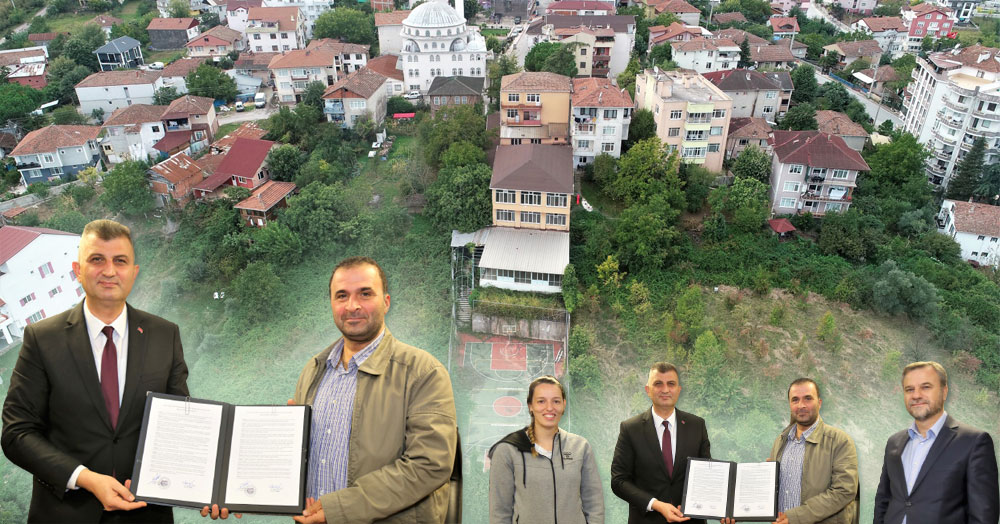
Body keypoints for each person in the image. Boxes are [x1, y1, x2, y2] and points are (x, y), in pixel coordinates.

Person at [2, 219, 190, 523]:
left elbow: (180, 425)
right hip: (66, 514)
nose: (109, 271)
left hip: (145, 513)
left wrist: (214, 489)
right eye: (96, 260)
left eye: (120, 261)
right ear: (77, 270)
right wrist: (85, 477)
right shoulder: (41, 339)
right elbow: (16, 433)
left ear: (134, 272)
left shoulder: (165, 335)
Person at [291, 256, 458, 523]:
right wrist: (242, 492)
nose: (352, 305)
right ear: (332, 305)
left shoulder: (423, 373)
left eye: (365, 294)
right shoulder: (312, 371)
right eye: (341, 296)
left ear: (386, 302)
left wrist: (337, 510)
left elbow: (429, 465)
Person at [873, 361, 999, 524]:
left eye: (926, 387)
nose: (916, 395)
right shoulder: (894, 443)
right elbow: (883, 500)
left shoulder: (974, 442)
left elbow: (984, 515)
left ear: (944, 391)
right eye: (909, 389)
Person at [488, 375, 605, 524]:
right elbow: (499, 511)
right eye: (541, 401)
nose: (549, 408)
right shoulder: (507, 450)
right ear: (530, 405)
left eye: (556, 401)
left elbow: (594, 503)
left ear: (563, 404)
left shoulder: (581, 447)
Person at [611, 362, 712, 524]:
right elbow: (619, 481)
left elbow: (707, 474)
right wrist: (656, 504)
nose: (665, 389)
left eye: (671, 384)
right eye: (658, 383)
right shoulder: (630, 429)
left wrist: (724, 509)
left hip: (689, 520)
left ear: (678, 390)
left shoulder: (697, 425)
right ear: (648, 390)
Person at [761, 378, 858, 524]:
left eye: (807, 398)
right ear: (789, 405)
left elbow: (844, 491)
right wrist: (735, 512)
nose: (801, 405)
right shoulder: (780, 441)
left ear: (819, 403)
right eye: (795, 400)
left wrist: (795, 518)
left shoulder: (839, 441)